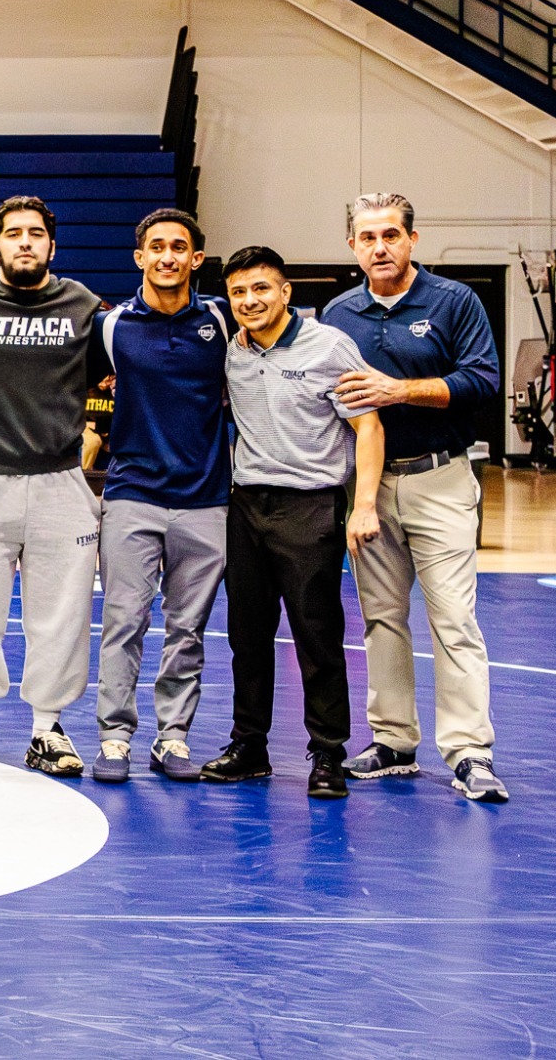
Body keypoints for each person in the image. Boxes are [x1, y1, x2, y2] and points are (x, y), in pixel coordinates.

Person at [324, 193, 508, 803]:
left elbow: (483, 381)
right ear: (352, 246)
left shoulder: (455, 302)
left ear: (413, 240)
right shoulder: (339, 312)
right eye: (367, 237)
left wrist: (399, 390)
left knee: (453, 619)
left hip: (440, 478)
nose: (380, 247)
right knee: (381, 617)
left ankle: (469, 751)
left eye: (391, 236)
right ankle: (394, 740)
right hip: (367, 486)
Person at [200, 246, 384, 799]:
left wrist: (365, 504)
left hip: (311, 506)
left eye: (262, 289)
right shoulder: (231, 350)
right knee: (247, 636)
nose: (250, 301)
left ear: (286, 293)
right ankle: (249, 745)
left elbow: (368, 427)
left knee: (317, 634)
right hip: (247, 505)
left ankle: (328, 753)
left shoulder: (329, 346)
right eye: (239, 292)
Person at [0, 197, 107, 776]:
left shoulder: (85, 306)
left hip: (61, 479)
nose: (26, 243)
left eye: (36, 233)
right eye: (13, 234)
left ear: (52, 246)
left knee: (61, 613)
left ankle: (47, 729)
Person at [87, 209, 231, 784]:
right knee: (124, 620)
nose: (167, 256)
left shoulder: (223, 321)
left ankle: (172, 737)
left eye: (179, 247)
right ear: (139, 257)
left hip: (206, 498)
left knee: (186, 629)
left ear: (195, 259)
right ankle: (116, 737)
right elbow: (72, 387)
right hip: (132, 495)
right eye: (157, 247)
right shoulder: (112, 326)